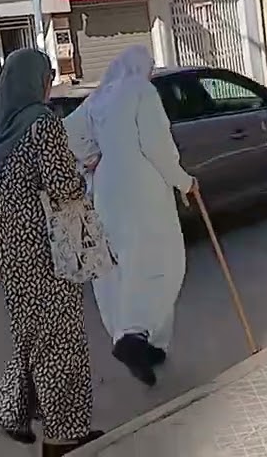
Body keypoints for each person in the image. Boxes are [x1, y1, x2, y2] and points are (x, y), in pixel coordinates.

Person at [0, 48, 104, 457]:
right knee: (61, 338)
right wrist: (85, 171)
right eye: (47, 79)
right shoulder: (42, 125)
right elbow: (64, 187)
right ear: (34, 82)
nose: (48, 87)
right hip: (44, 247)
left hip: (6, 248)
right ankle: (63, 437)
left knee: (30, 330)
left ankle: (14, 410)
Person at [67, 45, 197, 387]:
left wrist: (91, 159)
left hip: (107, 188)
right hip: (144, 185)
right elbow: (158, 146)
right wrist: (184, 182)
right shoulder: (141, 91)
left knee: (119, 267)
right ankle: (135, 336)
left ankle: (144, 343)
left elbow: (68, 134)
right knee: (161, 261)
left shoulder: (98, 98)